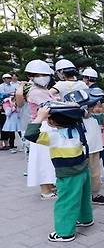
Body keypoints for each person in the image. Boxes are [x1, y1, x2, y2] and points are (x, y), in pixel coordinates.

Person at [25, 102, 93, 242]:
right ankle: (86, 219)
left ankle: (65, 233)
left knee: (66, 202)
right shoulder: (78, 129)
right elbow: (83, 114)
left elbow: (30, 134)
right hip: (83, 169)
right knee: (84, 197)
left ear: (54, 121)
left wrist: (39, 117)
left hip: (67, 175)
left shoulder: (53, 136)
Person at [63, 89, 104, 206]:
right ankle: (82, 196)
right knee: (83, 174)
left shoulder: (94, 118)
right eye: (90, 107)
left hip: (95, 149)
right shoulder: (75, 121)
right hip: (82, 151)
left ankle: (95, 194)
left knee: (95, 173)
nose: (92, 110)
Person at [21, 60, 57, 199]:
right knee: (43, 159)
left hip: (47, 126)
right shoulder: (36, 92)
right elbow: (51, 107)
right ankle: (45, 190)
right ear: (31, 76)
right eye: (38, 75)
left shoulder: (43, 90)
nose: (43, 77)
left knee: (48, 158)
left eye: (44, 74)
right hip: (42, 126)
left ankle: (50, 186)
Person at [0, 73, 18, 150]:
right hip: (3, 105)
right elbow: (2, 94)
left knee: (10, 126)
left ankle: (10, 144)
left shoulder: (13, 85)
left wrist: (11, 94)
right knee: (3, 125)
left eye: (10, 78)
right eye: (7, 78)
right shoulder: (1, 86)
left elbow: (15, 93)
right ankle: (2, 144)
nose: (9, 79)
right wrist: (10, 94)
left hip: (11, 104)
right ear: (3, 79)